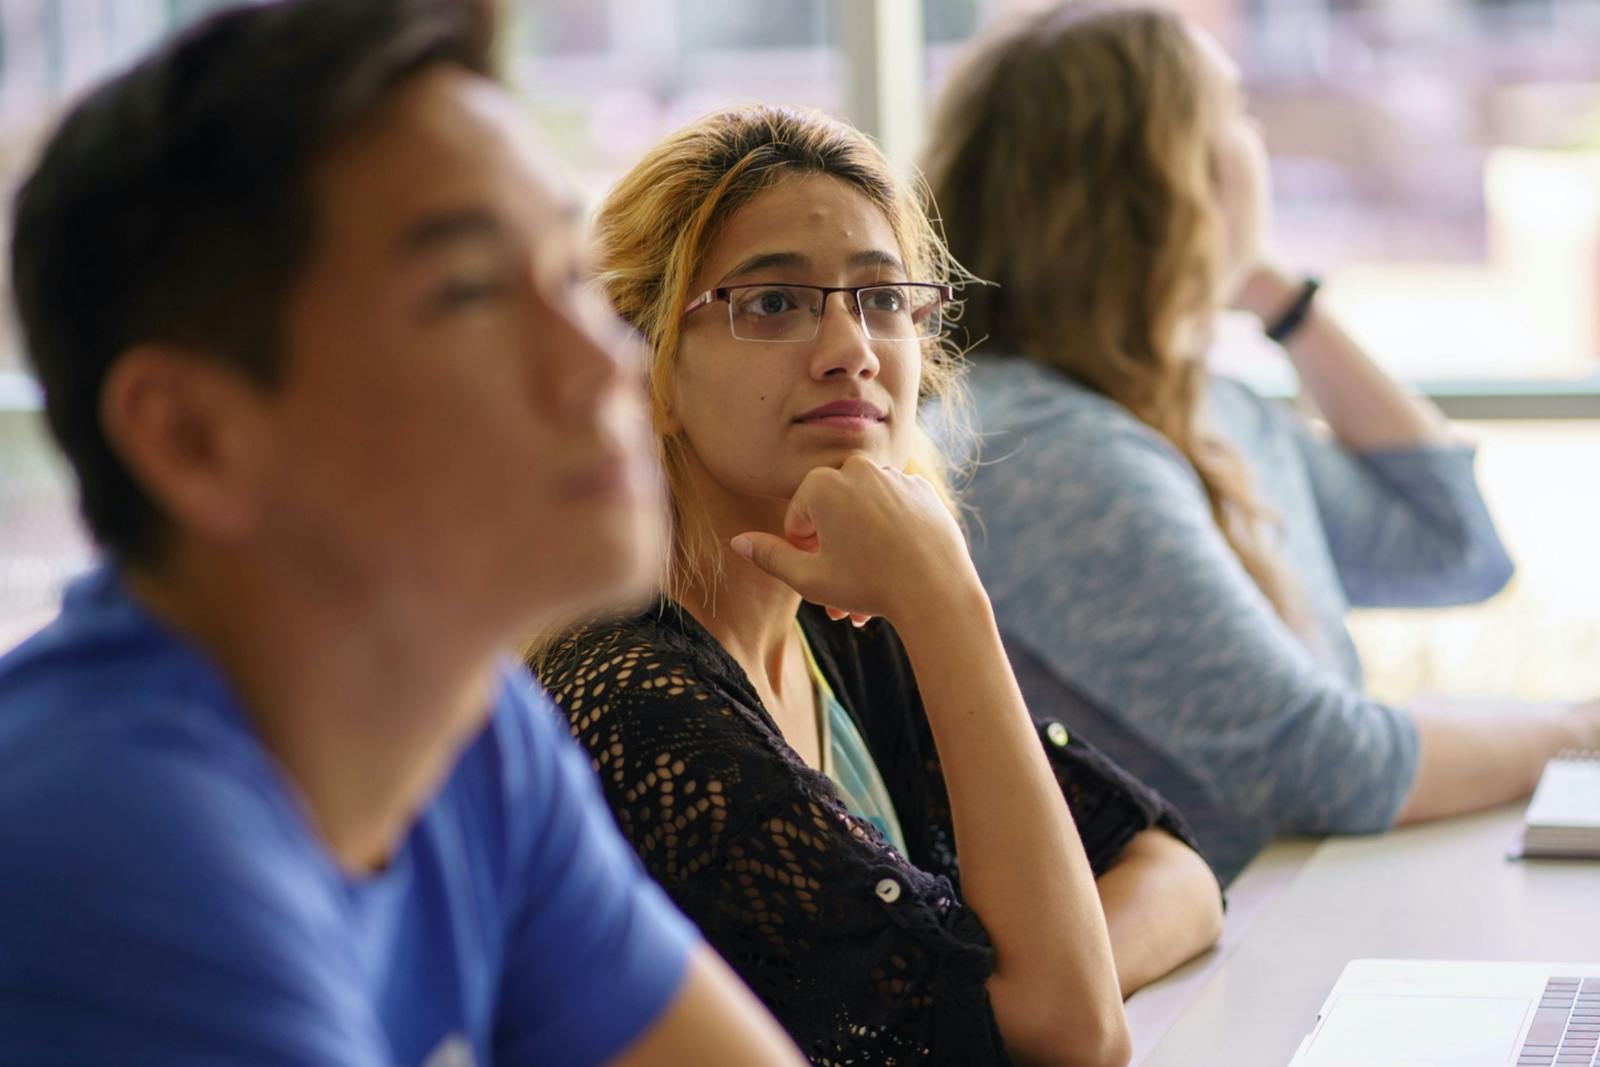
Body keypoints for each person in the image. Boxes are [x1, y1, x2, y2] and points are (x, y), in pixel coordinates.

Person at [0, 2, 810, 1065]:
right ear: (193, 437)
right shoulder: (109, 837)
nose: (602, 362)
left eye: (569, 278)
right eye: (470, 291)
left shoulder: (470, 734)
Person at [532, 104, 1224, 1067]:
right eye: (773, 302)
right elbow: (1071, 1034)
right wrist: (951, 608)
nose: (852, 347)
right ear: (645, 362)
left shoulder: (843, 615)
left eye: (882, 298)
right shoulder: (629, 692)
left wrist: (1031, 980)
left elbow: (1171, 867)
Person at [922, 0, 1600, 882]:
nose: (1261, 141)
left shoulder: (1205, 407)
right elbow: (1324, 765)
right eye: (1235, 114)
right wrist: (1581, 731)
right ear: (1172, 184)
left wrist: (1284, 299)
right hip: (1201, 986)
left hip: (1287, 917)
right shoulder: (1042, 450)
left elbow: (1457, 550)